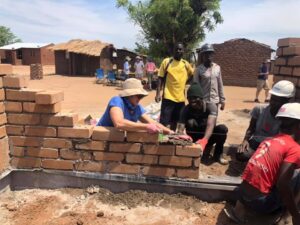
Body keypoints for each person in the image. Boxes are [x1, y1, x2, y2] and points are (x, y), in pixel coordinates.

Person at [226, 102, 300, 225]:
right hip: (261, 203)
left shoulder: (269, 140)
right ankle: (286, 218)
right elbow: (282, 184)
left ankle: (240, 208)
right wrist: (295, 214)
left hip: (242, 195)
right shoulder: (294, 149)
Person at [236, 80, 296, 162]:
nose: (274, 103)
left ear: (288, 101)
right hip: (257, 142)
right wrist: (245, 140)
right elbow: (251, 128)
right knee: (242, 154)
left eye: (278, 100)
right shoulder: (259, 109)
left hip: (274, 147)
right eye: (273, 99)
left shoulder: (288, 118)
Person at [97, 78, 172, 134]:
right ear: (129, 95)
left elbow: (152, 122)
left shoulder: (137, 108)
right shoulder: (117, 101)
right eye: (138, 96)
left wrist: (170, 132)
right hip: (100, 138)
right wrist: (146, 127)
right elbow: (119, 123)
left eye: (141, 96)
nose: (140, 99)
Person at [178, 83, 229, 165]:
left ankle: (218, 155)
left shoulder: (211, 107)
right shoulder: (185, 109)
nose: (192, 100)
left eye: (195, 97)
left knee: (222, 129)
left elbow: (210, 124)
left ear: (201, 98)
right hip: (193, 140)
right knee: (191, 122)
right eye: (189, 98)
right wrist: (181, 138)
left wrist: (204, 141)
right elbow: (180, 128)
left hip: (207, 137)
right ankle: (193, 151)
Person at [155, 43, 194, 130]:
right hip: (168, 97)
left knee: (176, 121)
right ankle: (161, 140)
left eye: (180, 49)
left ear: (183, 51)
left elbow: (192, 75)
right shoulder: (167, 62)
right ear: (173, 51)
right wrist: (158, 94)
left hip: (180, 99)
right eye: (176, 49)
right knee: (164, 121)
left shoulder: (185, 64)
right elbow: (160, 78)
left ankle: (171, 139)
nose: (178, 51)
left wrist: (185, 82)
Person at [194, 43, 225, 111]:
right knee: (203, 121)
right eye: (206, 53)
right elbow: (195, 87)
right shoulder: (198, 70)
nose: (208, 56)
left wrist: (222, 100)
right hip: (203, 102)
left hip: (214, 101)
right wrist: (197, 100)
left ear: (213, 55)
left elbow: (220, 85)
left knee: (213, 120)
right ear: (202, 55)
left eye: (210, 53)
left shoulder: (217, 68)